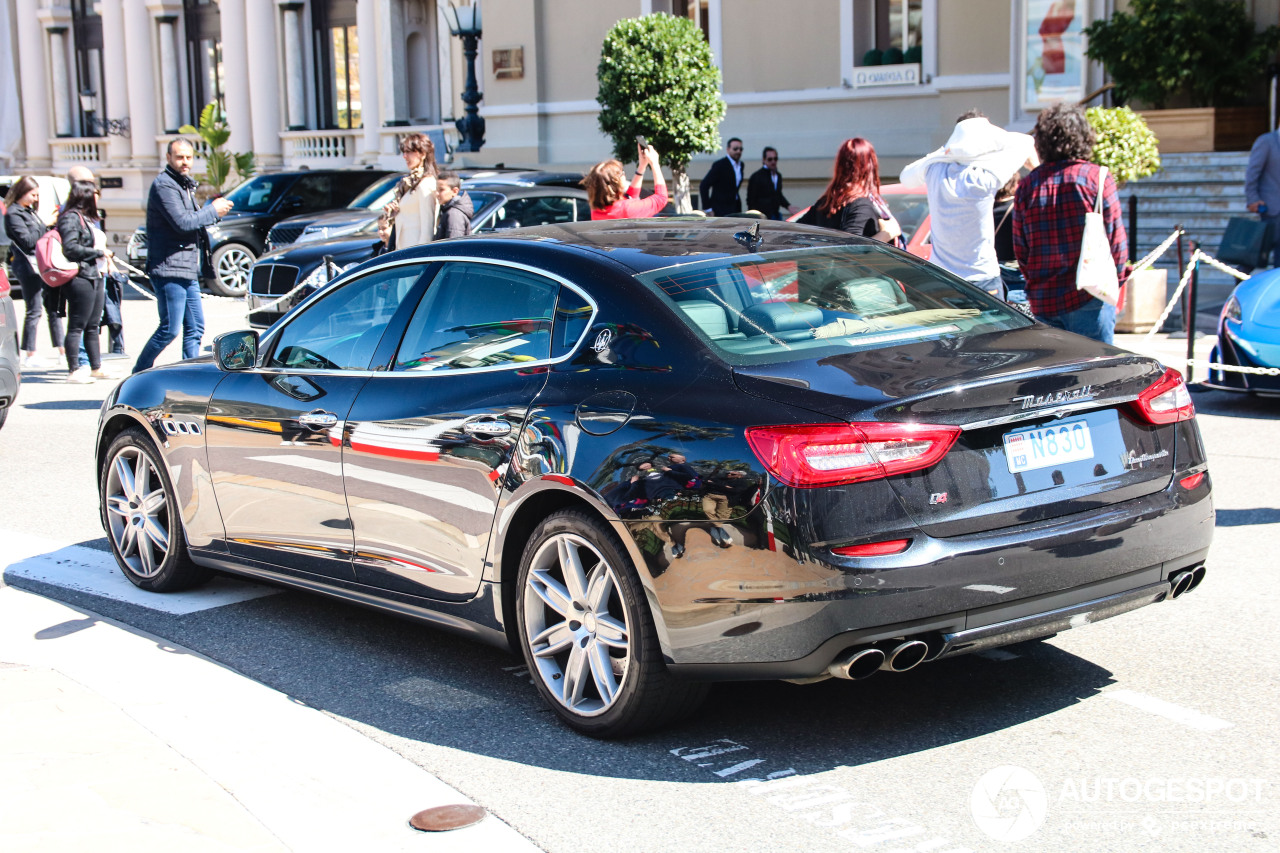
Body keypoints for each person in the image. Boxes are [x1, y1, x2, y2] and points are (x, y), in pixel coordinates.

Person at [1014, 102, 1128, 344]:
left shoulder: (1027, 186)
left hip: (1043, 298)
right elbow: (1116, 243)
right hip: (1089, 296)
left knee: (1055, 378)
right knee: (1098, 375)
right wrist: (1115, 283)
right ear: (1083, 136)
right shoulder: (1097, 178)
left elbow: (1021, 249)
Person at [899, 111, 1037, 299]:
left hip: (942, 278)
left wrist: (948, 151)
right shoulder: (984, 177)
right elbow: (1025, 142)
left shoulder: (934, 169)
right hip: (982, 278)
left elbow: (906, 177)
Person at [133, 138, 234, 373]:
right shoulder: (165, 185)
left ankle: (190, 377)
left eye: (189, 157)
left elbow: (191, 222)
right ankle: (137, 374)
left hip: (186, 266)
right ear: (168, 158)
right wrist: (212, 210)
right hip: (169, 267)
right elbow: (182, 223)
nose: (185, 162)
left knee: (196, 328)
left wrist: (213, 211)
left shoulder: (183, 185)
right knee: (169, 329)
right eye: (179, 157)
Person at [56, 181, 114, 382]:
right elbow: (70, 248)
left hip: (95, 274)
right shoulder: (71, 218)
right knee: (77, 324)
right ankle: (75, 368)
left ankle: (95, 366)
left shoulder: (87, 218)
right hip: (81, 276)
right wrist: (99, 253)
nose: (98, 197)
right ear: (86, 196)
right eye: (95, 194)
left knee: (93, 325)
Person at [4, 176, 64, 369]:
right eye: (33, 194)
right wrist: (44, 223)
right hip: (27, 266)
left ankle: (62, 350)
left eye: (37, 195)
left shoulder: (30, 211)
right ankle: (30, 353)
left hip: (42, 264)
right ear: (22, 192)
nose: (35, 198)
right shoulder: (13, 213)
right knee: (34, 308)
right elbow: (28, 241)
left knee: (53, 307)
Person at [801, 138, 903, 244]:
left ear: (839, 166)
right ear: (871, 166)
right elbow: (850, 249)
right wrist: (886, 235)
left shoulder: (826, 203)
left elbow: (795, 230)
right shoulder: (861, 205)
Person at [583, 142, 668, 220]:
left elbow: (630, 198)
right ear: (617, 182)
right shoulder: (627, 209)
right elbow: (661, 198)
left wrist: (642, 166)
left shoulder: (596, 211)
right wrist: (655, 164)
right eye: (622, 173)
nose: (624, 175)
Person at [381, 133, 438, 250]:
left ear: (422, 154)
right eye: (404, 152)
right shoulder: (411, 182)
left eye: (409, 152)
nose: (405, 156)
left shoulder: (426, 184)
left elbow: (428, 228)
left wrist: (420, 255)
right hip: (404, 250)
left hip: (415, 252)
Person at [1245, 127, 1280, 267]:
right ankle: (1242, 272)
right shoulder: (1266, 141)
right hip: (1272, 207)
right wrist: (1252, 198)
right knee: (1261, 249)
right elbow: (1253, 172)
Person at [746, 147, 798, 220]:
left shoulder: (778, 175)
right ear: (764, 160)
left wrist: (788, 206)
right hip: (763, 217)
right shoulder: (757, 176)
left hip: (776, 214)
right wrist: (754, 217)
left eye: (775, 159)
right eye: (770, 159)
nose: (773, 161)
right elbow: (751, 200)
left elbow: (778, 194)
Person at [699, 137, 745, 217]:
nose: (738, 151)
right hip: (720, 209)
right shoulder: (720, 165)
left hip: (735, 208)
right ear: (728, 149)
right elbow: (704, 185)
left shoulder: (741, 165)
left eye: (740, 149)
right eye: (735, 149)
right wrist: (708, 208)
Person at [434, 171, 474, 240]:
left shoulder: (454, 214)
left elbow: (453, 244)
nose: (437, 193)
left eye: (441, 190)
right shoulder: (447, 210)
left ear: (455, 191)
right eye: (437, 189)